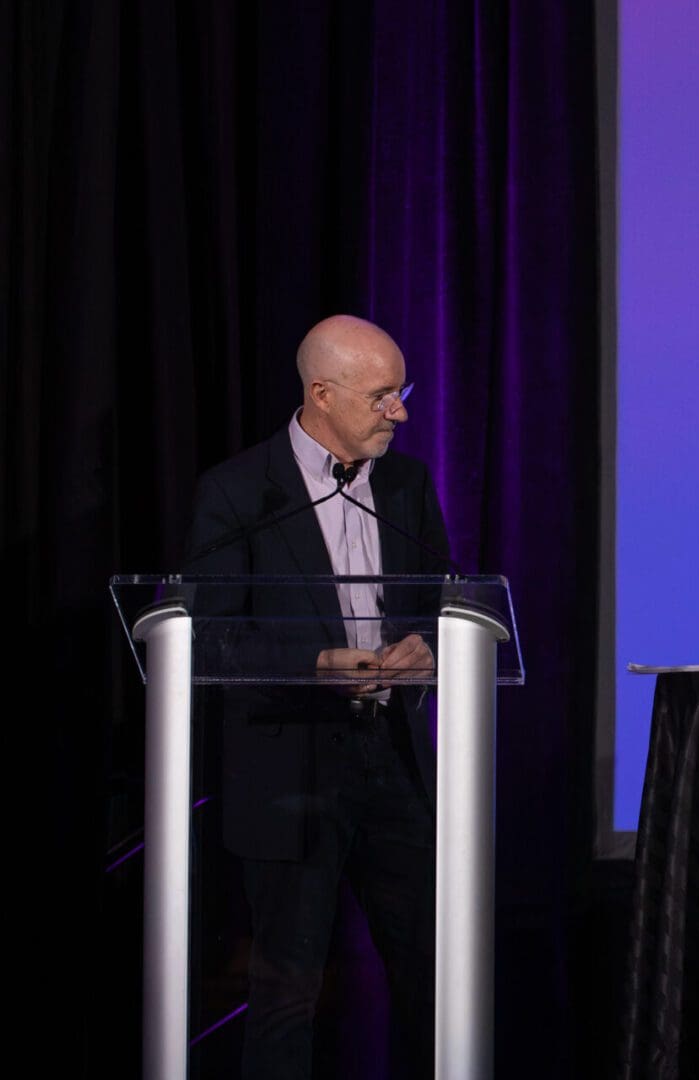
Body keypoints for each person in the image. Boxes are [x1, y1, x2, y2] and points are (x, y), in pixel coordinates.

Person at [184, 315, 448, 1078]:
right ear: (321, 395)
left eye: (402, 393)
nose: (399, 412)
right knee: (287, 994)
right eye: (382, 396)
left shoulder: (406, 481)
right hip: (291, 768)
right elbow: (208, 634)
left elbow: (450, 592)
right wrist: (317, 660)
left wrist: (429, 641)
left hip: (390, 759)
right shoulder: (240, 491)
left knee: (435, 977)